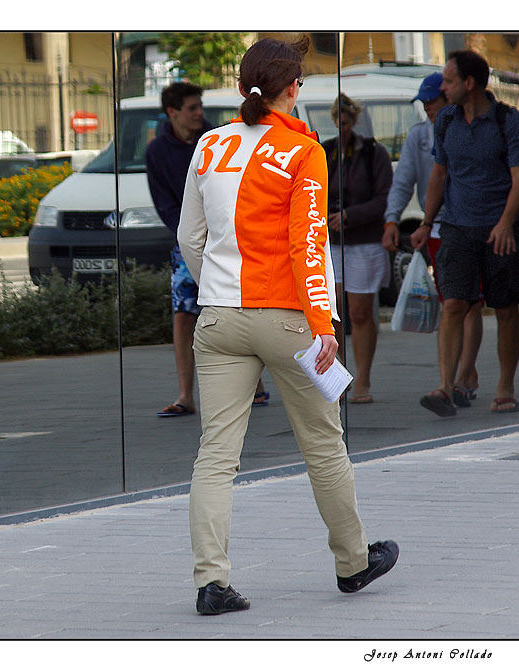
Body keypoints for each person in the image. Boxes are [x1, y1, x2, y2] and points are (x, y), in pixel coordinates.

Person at [177, 36, 398, 616]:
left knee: (215, 453)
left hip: (220, 319)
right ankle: (352, 563)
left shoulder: (210, 143)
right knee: (324, 444)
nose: (302, 88)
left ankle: (211, 581)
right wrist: (324, 325)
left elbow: (188, 240)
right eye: (299, 80)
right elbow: (309, 245)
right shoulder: (304, 151)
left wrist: (217, 292)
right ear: (290, 89)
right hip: (288, 320)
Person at [412, 50, 519, 417]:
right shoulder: (446, 120)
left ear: (469, 83)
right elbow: (438, 176)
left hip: (502, 229)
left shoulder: (509, 122)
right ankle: (446, 388)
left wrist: (504, 223)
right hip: (457, 227)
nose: (443, 87)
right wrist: (424, 222)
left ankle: (505, 387)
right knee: (453, 304)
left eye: (448, 81)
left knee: (505, 307)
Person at [146, 82, 267, 418]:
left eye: (200, 106)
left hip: (226, 238)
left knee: (236, 307)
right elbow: (165, 204)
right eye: (192, 107)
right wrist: (190, 234)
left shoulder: (215, 139)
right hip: (187, 241)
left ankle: (253, 386)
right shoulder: (157, 152)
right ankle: (186, 394)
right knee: (184, 315)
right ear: (172, 112)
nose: (199, 113)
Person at [382, 73, 483, 408]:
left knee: (471, 305)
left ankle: (465, 376)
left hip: (475, 225)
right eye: (423, 104)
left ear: (449, 97)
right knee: (453, 304)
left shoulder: (470, 128)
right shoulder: (419, 135)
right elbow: (404, 181)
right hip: (439, 229)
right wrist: (392, 219)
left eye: (433, 103)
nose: (428, 109)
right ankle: (451, 381)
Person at [322, 94, 393, 404]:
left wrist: (351, 215)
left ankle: (363, 377)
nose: (344, 124)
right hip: (333, 241)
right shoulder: (326, 151)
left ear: (356, 120)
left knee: (360, 312)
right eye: (339, 119)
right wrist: (326, 216)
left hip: (364, 241)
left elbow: (383, 198)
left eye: (348, 118)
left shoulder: (374, 153)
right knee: (332, 314)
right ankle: (337, 377)